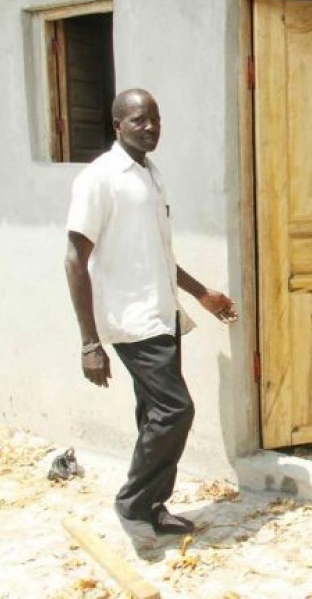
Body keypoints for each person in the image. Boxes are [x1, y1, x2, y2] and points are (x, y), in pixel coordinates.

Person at [64, 88, 238, 548]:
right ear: (117, 123)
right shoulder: (99, 179)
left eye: (156, 120)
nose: (150, 128)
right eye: (140, 120)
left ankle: (154, 508)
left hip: (162, 314)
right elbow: (74, 260)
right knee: (175, 411)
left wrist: (202, 294)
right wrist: (89, 343)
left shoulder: (151, 175)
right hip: (131, 318)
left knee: (154, 415)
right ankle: (134, 504)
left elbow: (159, 254)